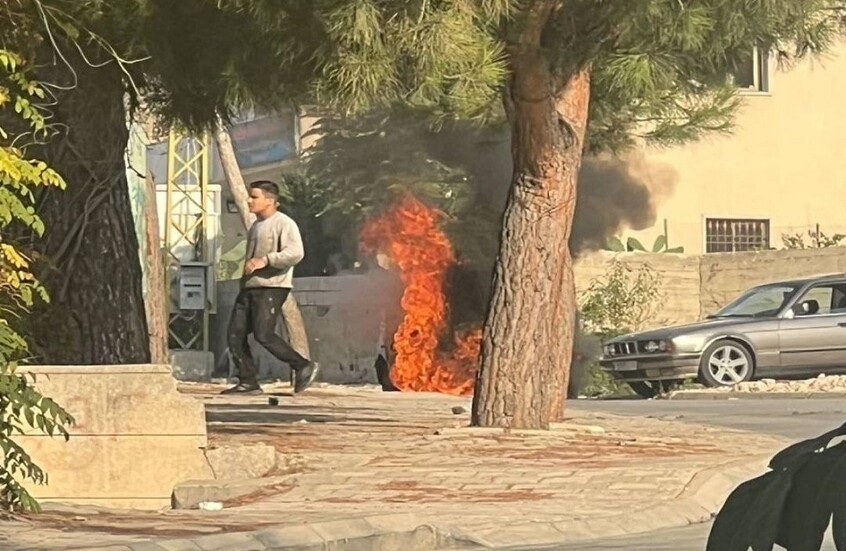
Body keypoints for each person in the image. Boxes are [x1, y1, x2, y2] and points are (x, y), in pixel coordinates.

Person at [223, 180, 318, 395]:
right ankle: (248, 381)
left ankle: (302, 365)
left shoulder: (283, 223)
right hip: (249, 288)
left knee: (263, 334)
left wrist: (266, 260)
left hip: (272, 287)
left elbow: (296, 253)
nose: (249, 201)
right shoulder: (256, 225)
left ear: (270, 201)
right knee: (235, 335)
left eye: (254, 197)